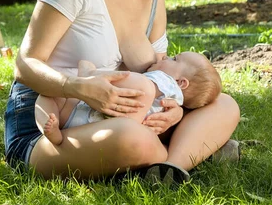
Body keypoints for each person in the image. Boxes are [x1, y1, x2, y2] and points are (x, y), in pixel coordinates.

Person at [6, 0, 240, 182]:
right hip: (53, 121)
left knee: (224, 104)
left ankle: (171, 167)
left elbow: (163, 75)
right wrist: (77, 87)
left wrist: (173, 112)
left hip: (122, 121)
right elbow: (25, 64)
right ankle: (188, 151)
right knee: (133, 139)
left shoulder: (155, 1)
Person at [35, 51, 222, 147]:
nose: (165, 56)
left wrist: (92, 75)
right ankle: (54, 132)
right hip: (95, 124)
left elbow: (138, 84)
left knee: (145, 86)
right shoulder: (169, 99)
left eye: (174, 59)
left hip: (92, 118)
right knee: (47, 95)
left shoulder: (166, 84)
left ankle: (91, 75)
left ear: (181, 83)